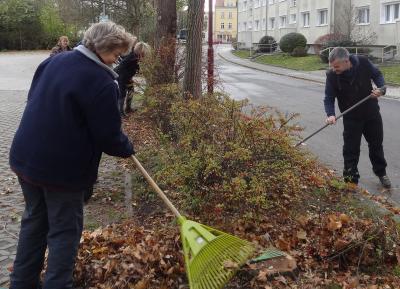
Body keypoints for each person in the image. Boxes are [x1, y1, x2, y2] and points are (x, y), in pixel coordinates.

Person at [9, 22, 135, 289]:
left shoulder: (54, 61)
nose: (116, 61)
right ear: (104, 48)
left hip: (26, 160)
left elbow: (34, 98)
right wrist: (127, 147)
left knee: (34, 223)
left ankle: (21, 283)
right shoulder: (102, 82)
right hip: (62, 173)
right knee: (64, 233)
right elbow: (109, 137)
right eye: (116, 54)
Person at [324, 47, 391, 188]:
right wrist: (330, 114)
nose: (334, 69)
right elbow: (329, 98)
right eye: (332, 66)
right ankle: (350, 180)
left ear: (347, 61)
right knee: (350, 149)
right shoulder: (332, 75)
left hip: (371, 113)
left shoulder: (363, 62)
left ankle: (381, 172)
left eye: (336, 66)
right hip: (351, 117)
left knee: (376, 145)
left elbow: (378, 75)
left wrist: (381, 89)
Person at [114, 41, 151, 116]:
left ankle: (128, 108)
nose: (144, 56)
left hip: (127, 77)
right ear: (139, 51)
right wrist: (125, 78)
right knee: (122, 93)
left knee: (131, 90)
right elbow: (121, 67)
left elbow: (135, 67)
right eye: (143, 54)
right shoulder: (131, 57)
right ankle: (120, 112)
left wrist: (133, 75)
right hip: (121, 76)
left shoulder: (136, 57)